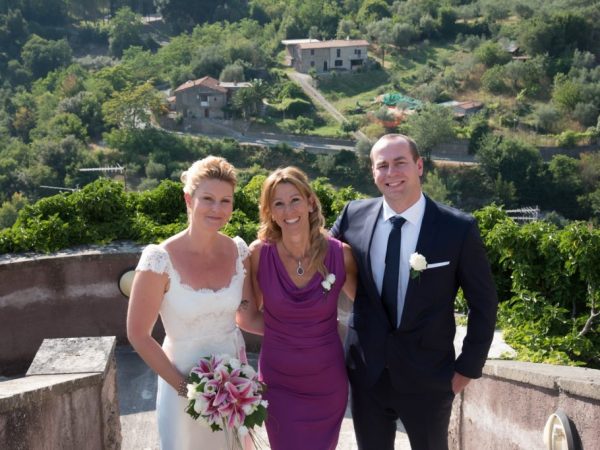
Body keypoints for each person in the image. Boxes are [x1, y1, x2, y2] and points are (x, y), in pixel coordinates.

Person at [330, 134, 498, 450]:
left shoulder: (457, 228)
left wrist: (467, 367)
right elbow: (318, 258)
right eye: (382, 165)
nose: (391, 173)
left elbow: (484, 302)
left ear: (419, 166)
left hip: (430, 378)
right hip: (366, 374)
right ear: (372, 172)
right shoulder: (353, 216)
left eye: (400, 163)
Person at [126, 156, 262, 450]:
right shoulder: (159, 260)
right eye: (208, 199)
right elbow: (138, 334)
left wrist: (303, 328)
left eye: (225, 201)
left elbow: (248, 315)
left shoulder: (239, 251)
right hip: (180, 384)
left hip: (233, 384)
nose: (217, 209)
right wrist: (185, 389)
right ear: (189, 199)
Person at [249, 166, 357, 450]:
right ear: (270, 212)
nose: (288, 210)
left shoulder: (341, 255)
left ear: (310, 202)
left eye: (295, 199)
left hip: (327, 384)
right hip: (278, 383)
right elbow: (246, 316)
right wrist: (286, 333)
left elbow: (368, 310)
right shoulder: (259, 254)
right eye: (278, 203)